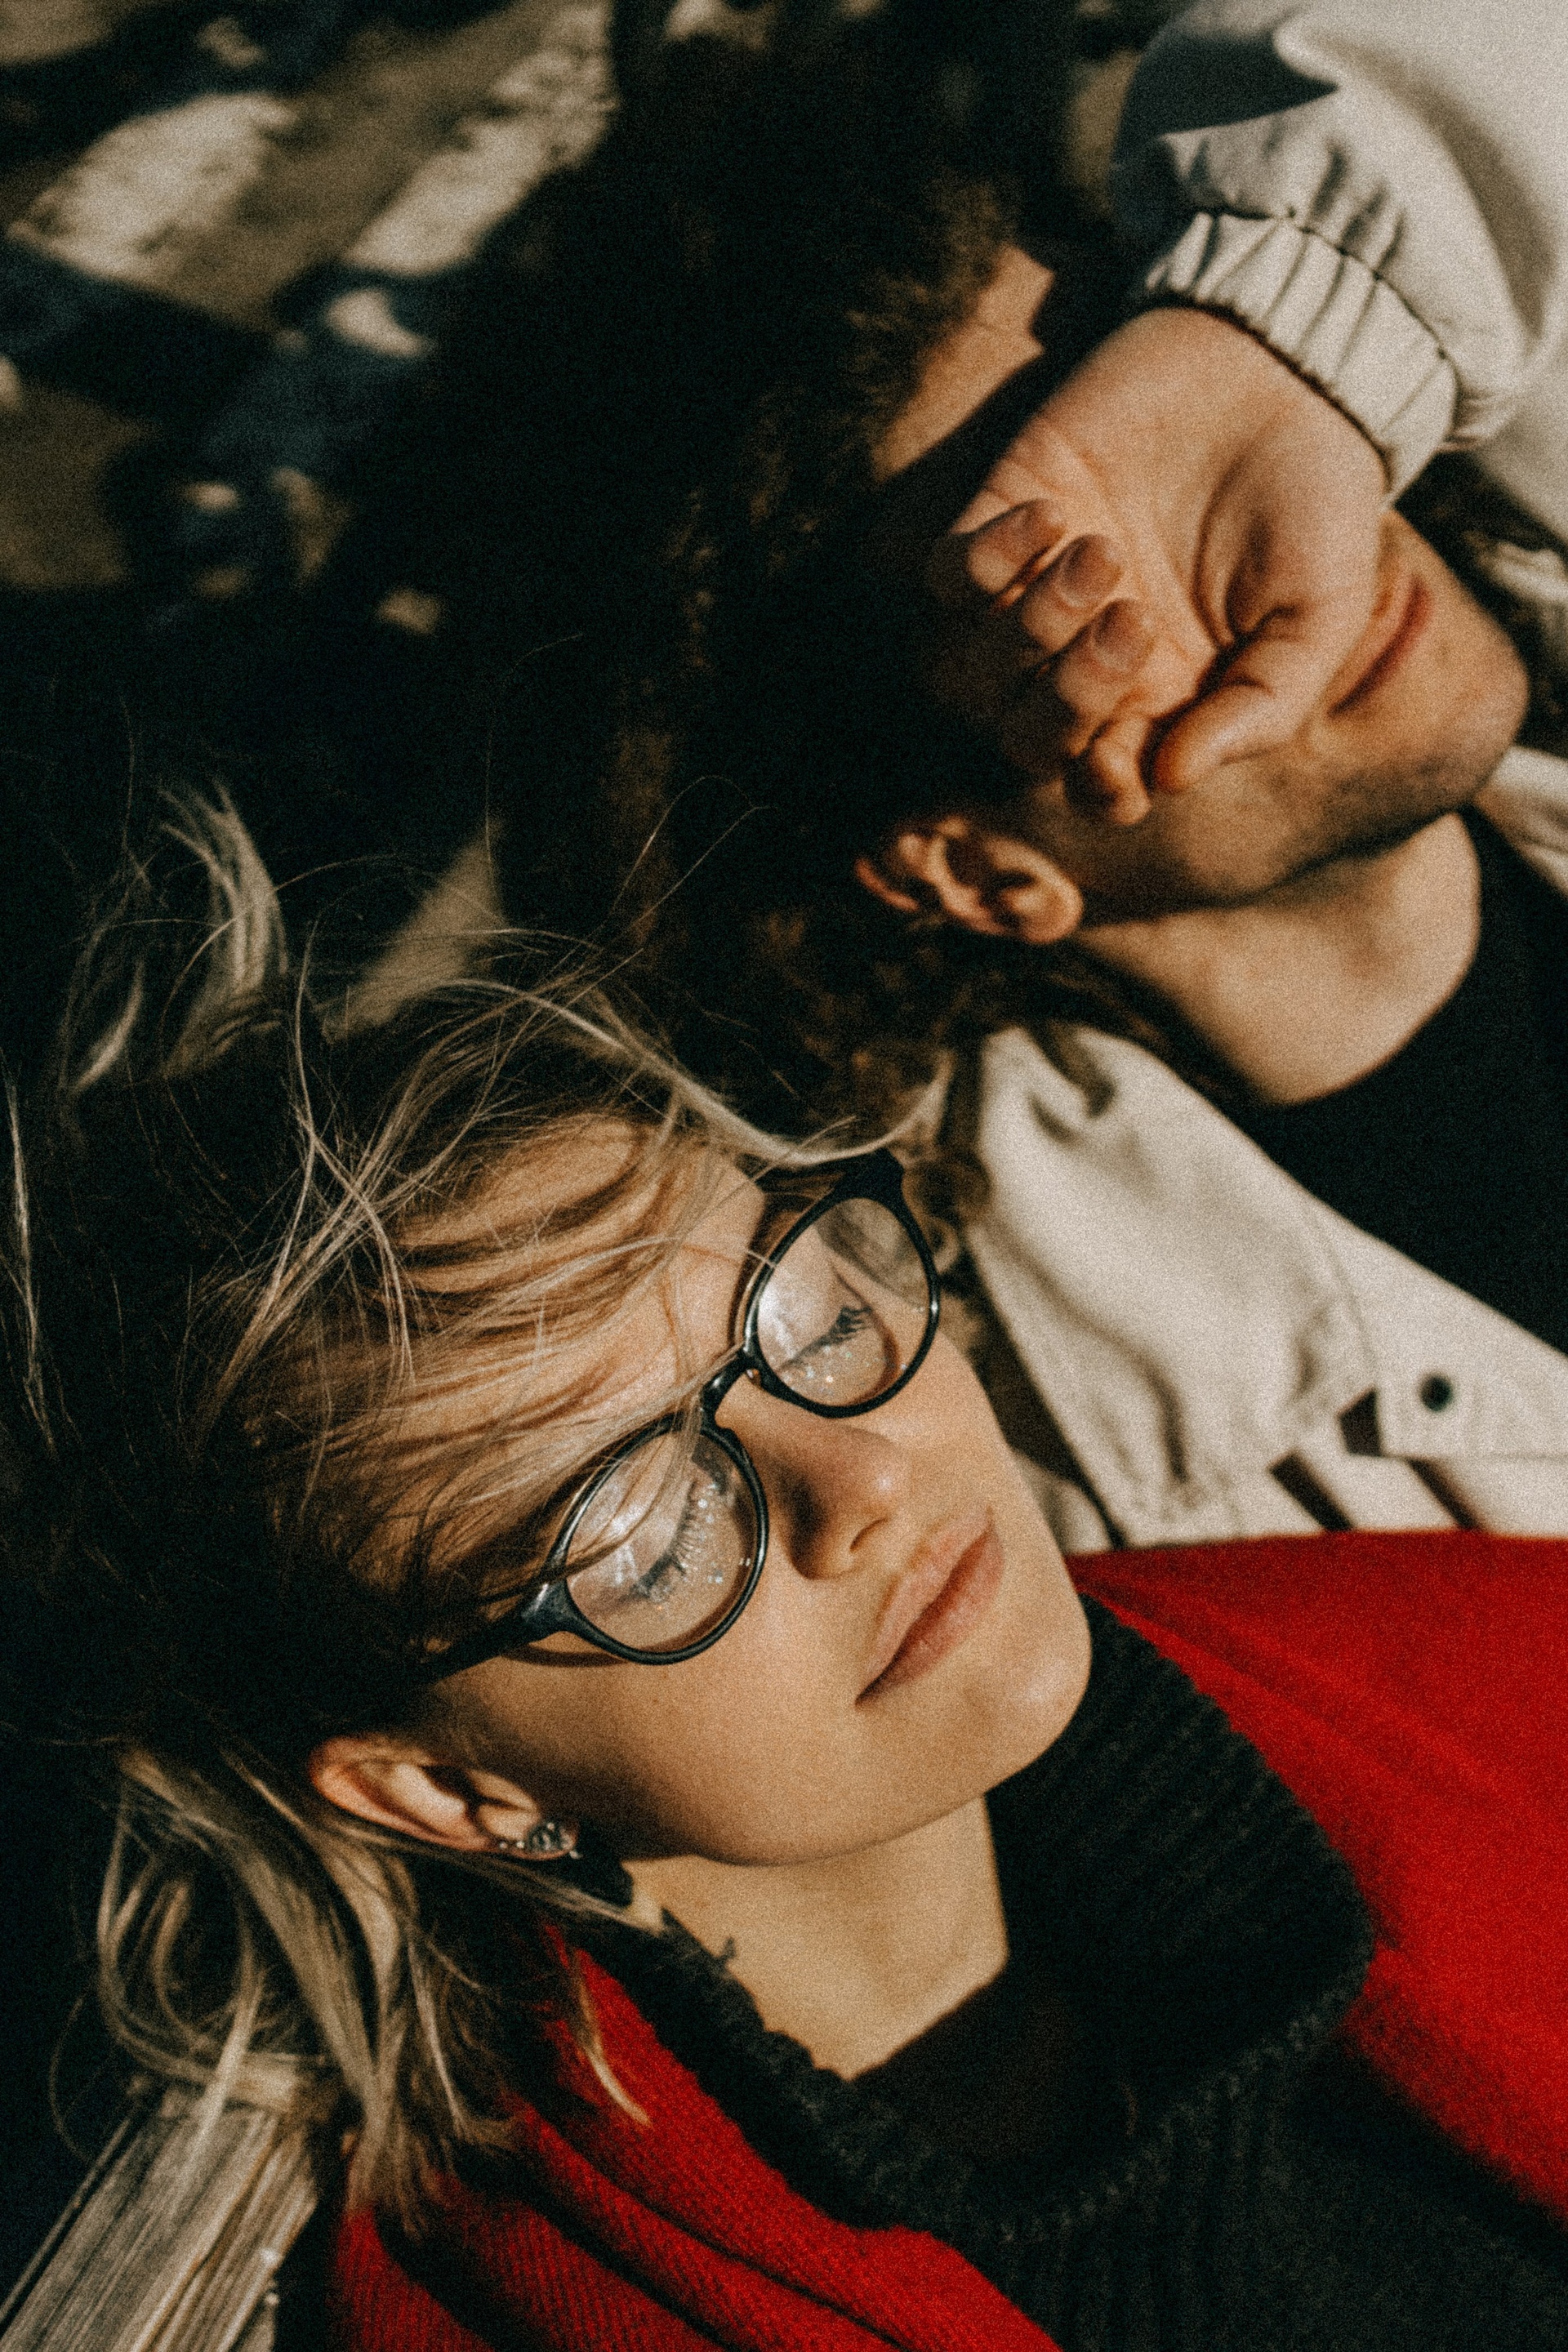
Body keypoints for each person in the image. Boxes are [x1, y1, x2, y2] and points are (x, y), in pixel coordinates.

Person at [8, 800, 1568, 2350]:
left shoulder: (1456, 1644)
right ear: (450, 1791)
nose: (867, 1480)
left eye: (811, 1321)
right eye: (644, 1526)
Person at [461, 0, 1568, 1552]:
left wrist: (1304, 316)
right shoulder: (1071, 1491)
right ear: (977, 867)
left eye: (1155, 372)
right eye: (1069, 569)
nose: (1274, 518)